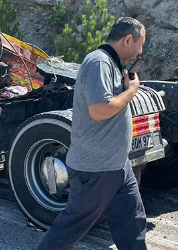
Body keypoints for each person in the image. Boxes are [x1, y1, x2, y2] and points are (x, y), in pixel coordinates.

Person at [37, 17, 147, 250]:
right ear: (128, 39)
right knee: (68, 230)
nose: (140, 50)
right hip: (95, 168)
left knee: (132, 223)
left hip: (117, 166)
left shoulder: (112, 64)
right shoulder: (99, 62)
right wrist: (132, 91)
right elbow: (100, 110)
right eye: (140, 44)